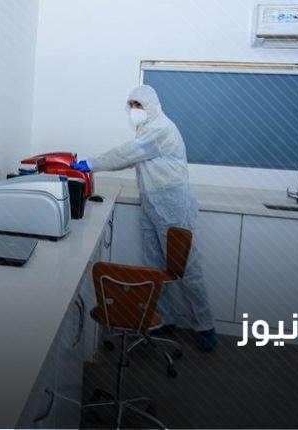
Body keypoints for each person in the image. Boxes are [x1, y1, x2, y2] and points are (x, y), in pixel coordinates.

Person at [70, 85, 218, 351]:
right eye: (132, 105)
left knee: (186, 267)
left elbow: (127, 153)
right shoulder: (147, 129)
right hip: (152, 203)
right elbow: (132, 158)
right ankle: (165, 318)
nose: (134, 110)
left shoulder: (161, 128)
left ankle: (205, 325)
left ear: (151, 105)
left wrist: (90, 164)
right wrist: (93, 165)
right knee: (155, 266)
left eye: (139, 105)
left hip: (172, 203)